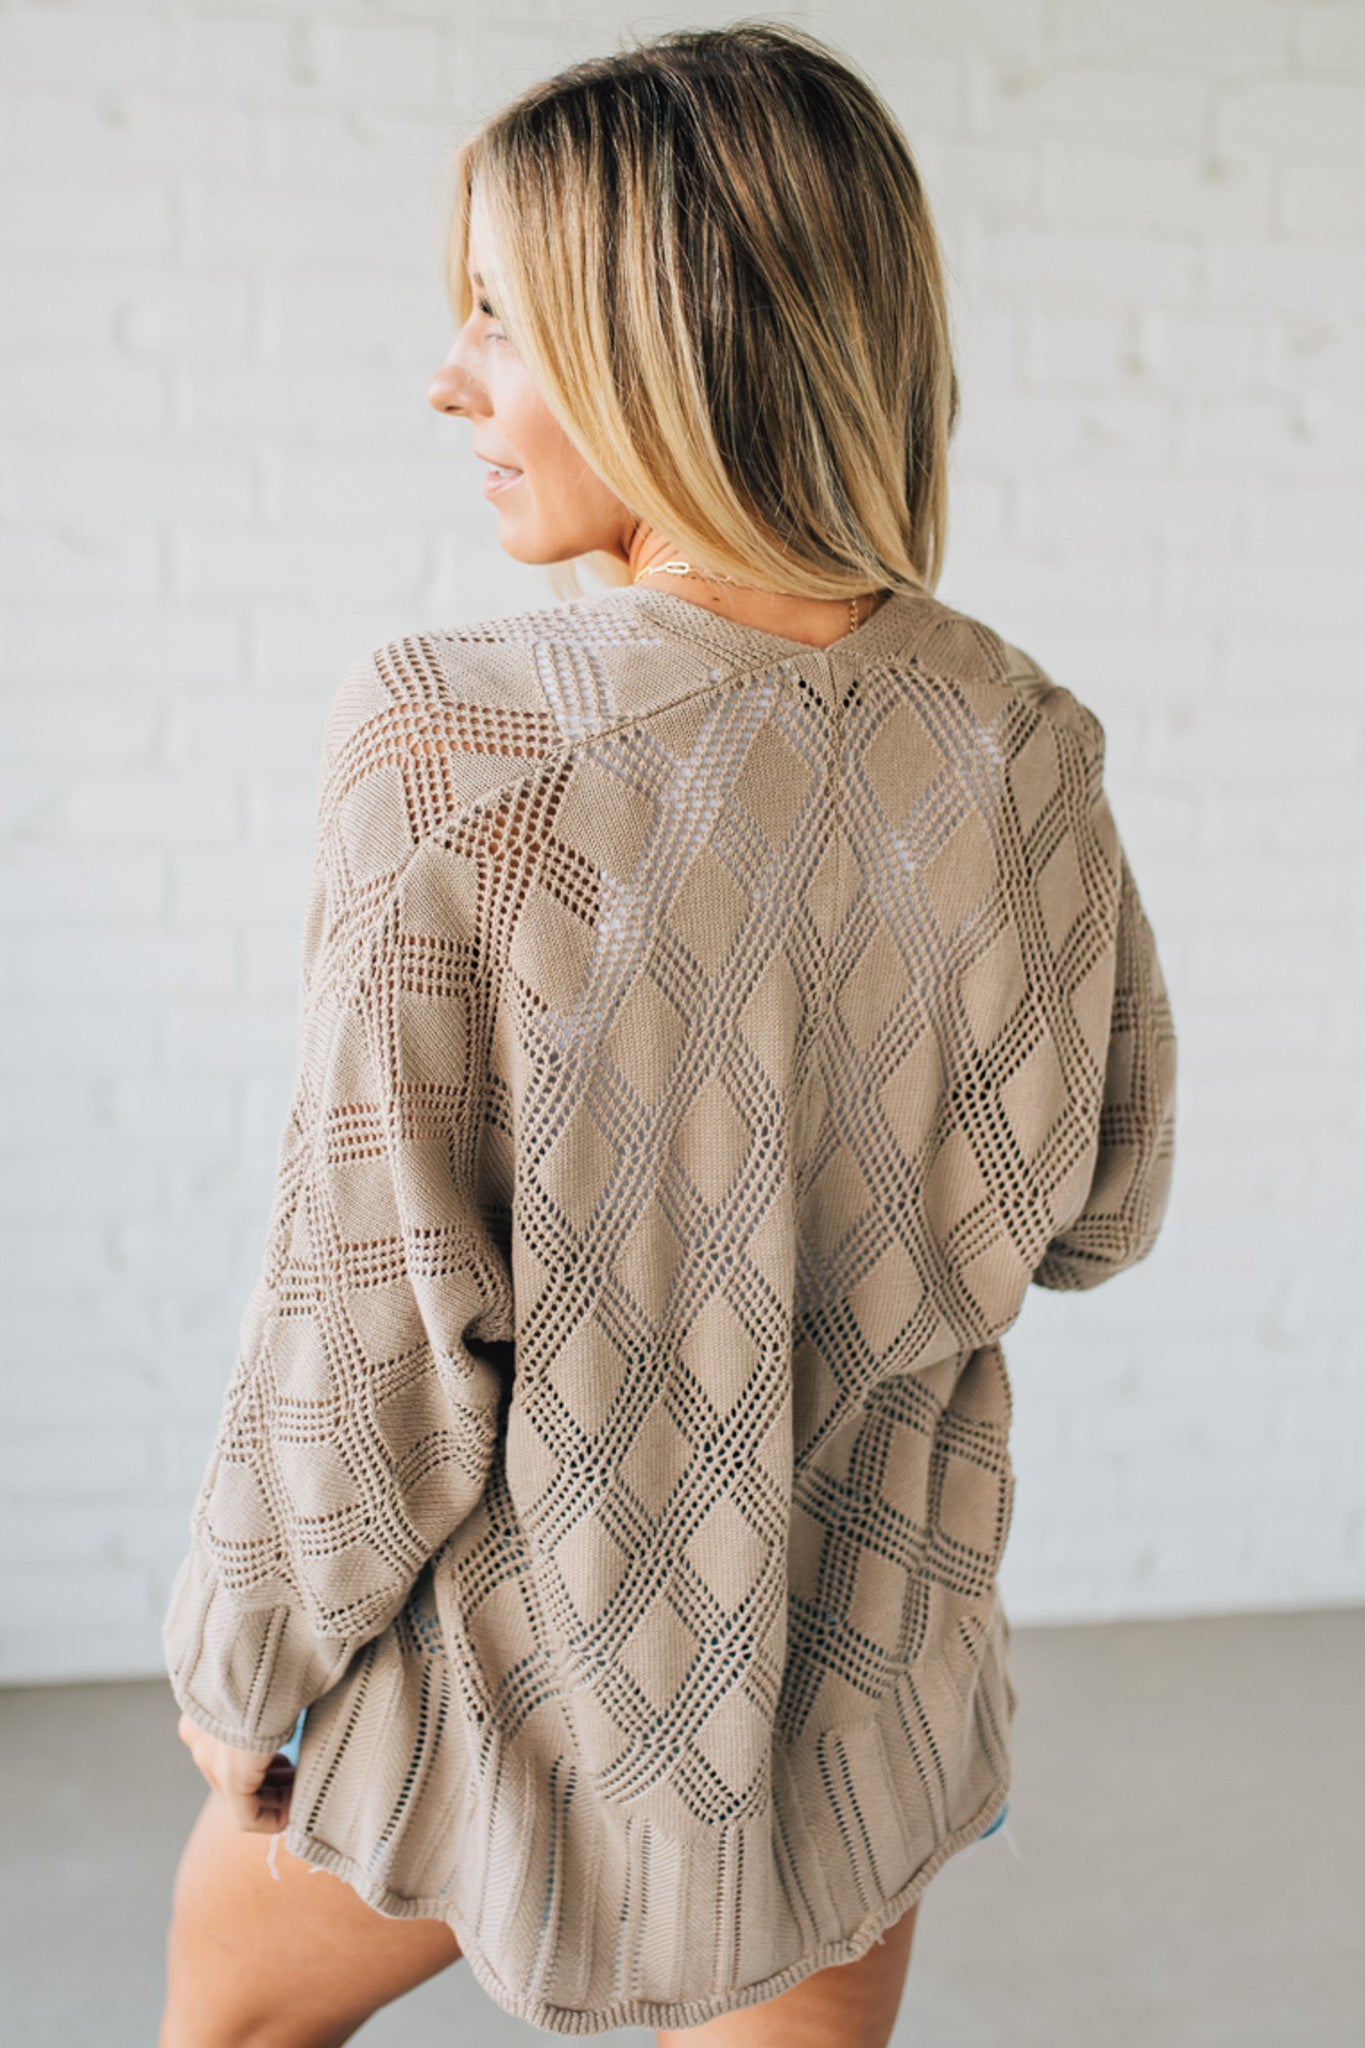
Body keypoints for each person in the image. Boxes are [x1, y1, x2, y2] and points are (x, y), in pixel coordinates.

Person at [158, 21, 1177, 2047]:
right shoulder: (1015, 737)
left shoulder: (457, 743)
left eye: (492, 318)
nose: (445, 374)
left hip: (501, 1683)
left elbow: (368, 1320)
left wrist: (236, 1658)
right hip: (845, 1679)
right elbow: (1096, 1206)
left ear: (673, 345)